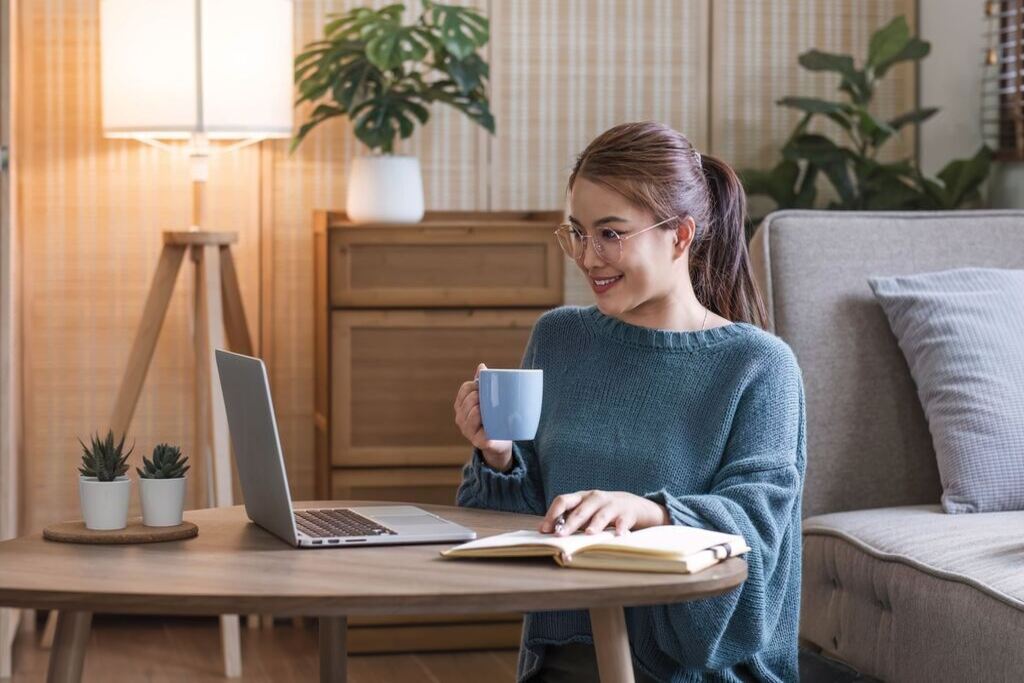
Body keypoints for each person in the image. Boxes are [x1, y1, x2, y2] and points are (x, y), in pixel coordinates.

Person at [453, 121, 806, 683]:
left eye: (611, 234)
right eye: (577, 232)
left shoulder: (758, 365)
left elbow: (755, 528)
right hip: (561, 663)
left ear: (680, 235)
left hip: (690, 673)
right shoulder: (559, 338)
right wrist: (498, 456)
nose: (589, 257)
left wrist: (651, 512)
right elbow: (525, 527)